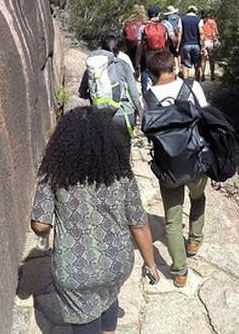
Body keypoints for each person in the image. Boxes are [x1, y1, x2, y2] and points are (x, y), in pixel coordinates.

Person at [30, 107, 160, 334]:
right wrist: (150, 264)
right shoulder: (121, 174)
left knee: (86, 318)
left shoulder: (52, 175)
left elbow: (40, 226)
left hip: (75, 269)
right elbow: (138, 223)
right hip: (116, 264)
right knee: (108, 296)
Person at [143, 50, 208, 288]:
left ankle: (180, 272)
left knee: (172, 220)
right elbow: (206, 115)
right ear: (175, 66)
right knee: (198, 197)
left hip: (167, 167)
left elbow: (146, 128)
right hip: (196, 161)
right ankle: (194, 240)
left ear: (151, 74)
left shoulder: (148, 97)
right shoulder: (191, 87)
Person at [78, 34, 143, 135]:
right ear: (118, 49)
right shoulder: (123, 64)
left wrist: (97, 98)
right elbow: (134, 93)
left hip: (101, 115)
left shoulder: (93, 67)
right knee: (124, 148)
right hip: (124, 114)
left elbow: (82, 92)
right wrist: (140, 114)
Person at [135, 5, 169, 92]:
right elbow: (168, 41)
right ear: (159, 14)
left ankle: (146, 92)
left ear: (148, 15)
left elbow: (139, 49)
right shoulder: (164, 25)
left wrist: (136, 66)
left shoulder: (143, 28)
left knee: (147, 72)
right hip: (162, 55)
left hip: (149, 56)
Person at [177, 5, 203, 80]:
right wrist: (203, 46)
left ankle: (186, 83)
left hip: (185, 45)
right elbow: (201, 33)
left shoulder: (181, 19)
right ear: (195, 12)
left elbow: (180, 33)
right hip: (196, 45)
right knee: (197, 65)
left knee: (185, 65)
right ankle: (197, 83)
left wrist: (178, 46)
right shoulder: (199, 20)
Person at [199, 11, 219, 81]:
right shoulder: (212, 22)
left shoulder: (200, 22)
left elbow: (200, 33)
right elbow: (216, 32)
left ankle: (203, 75)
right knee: (212, 59)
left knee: (203, 59)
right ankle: (212, 75)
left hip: (203, 42)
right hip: (211, 41)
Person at [161, 5, 182, 73]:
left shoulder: (165, 21)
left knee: (171, 55)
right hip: (178, 37)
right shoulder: (178, 18)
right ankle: (180, 69)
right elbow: (180, 29)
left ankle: (174, 70)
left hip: (168, 40)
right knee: (178, 54)